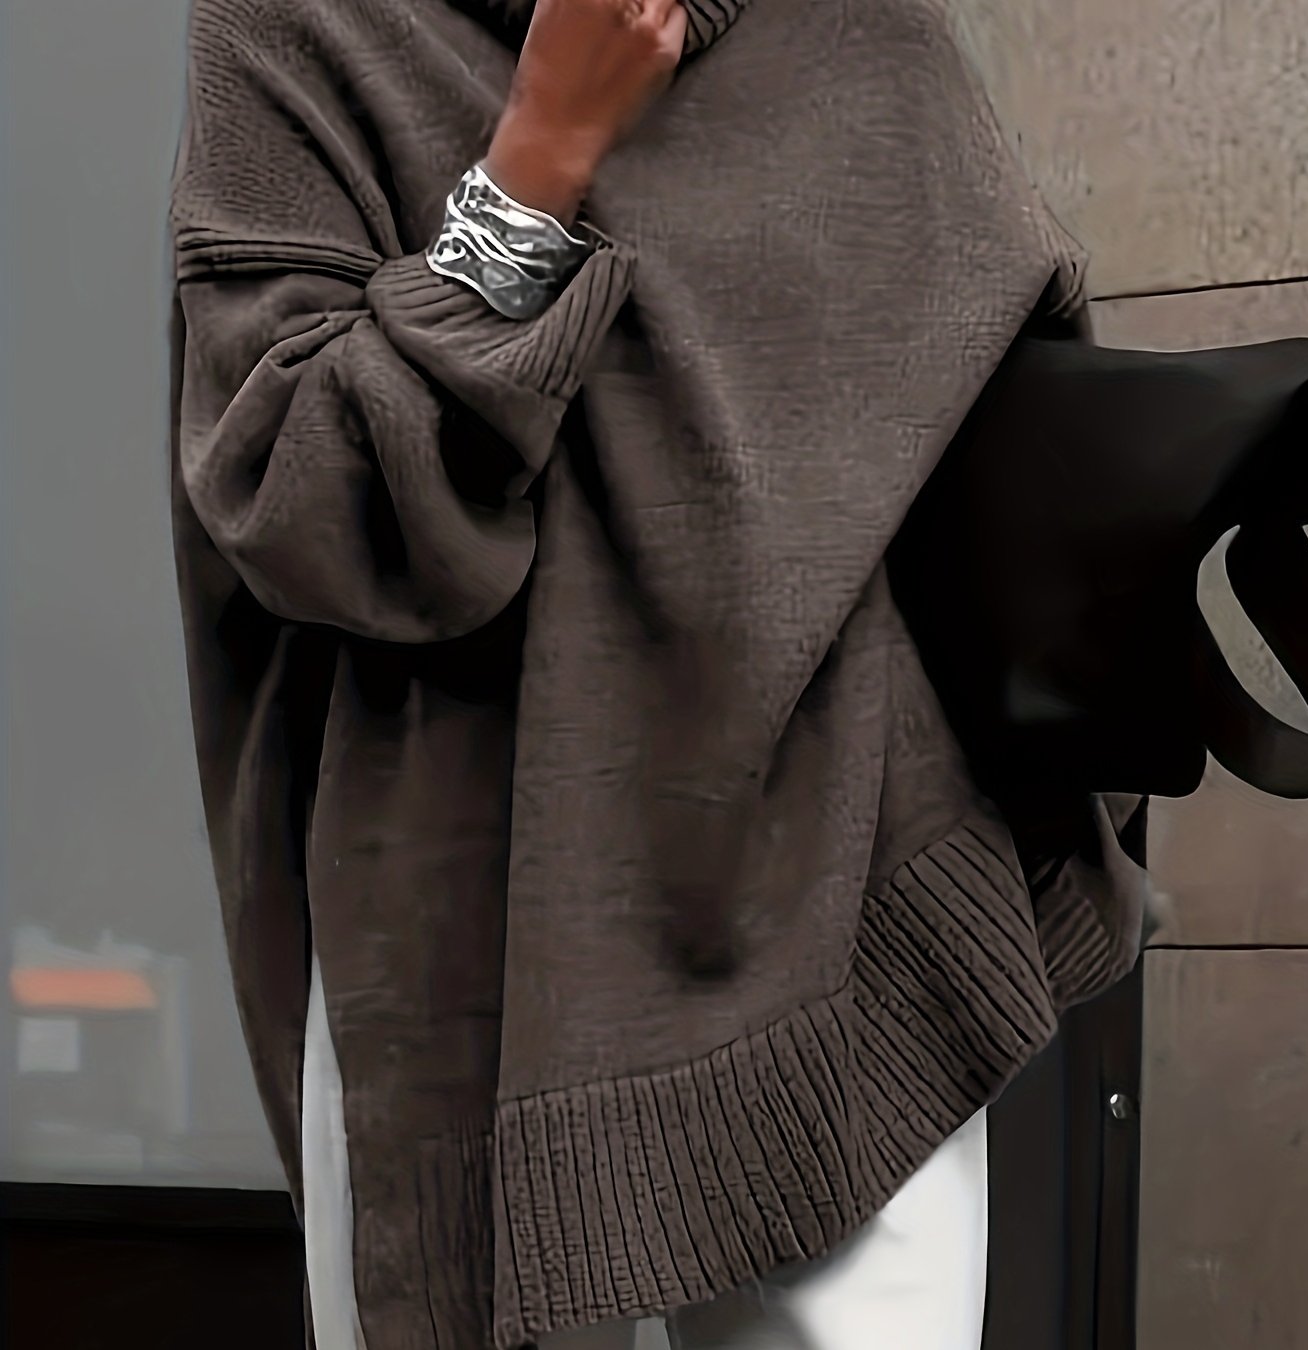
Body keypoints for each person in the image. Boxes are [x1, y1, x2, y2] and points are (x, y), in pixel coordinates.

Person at [167, 0, 1150, 1347]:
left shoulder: (851, 27)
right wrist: (539, 157)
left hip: (843, 922)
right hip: (458, 957)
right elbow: (300, 508)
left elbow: (1007, 457)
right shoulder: (305, 24)